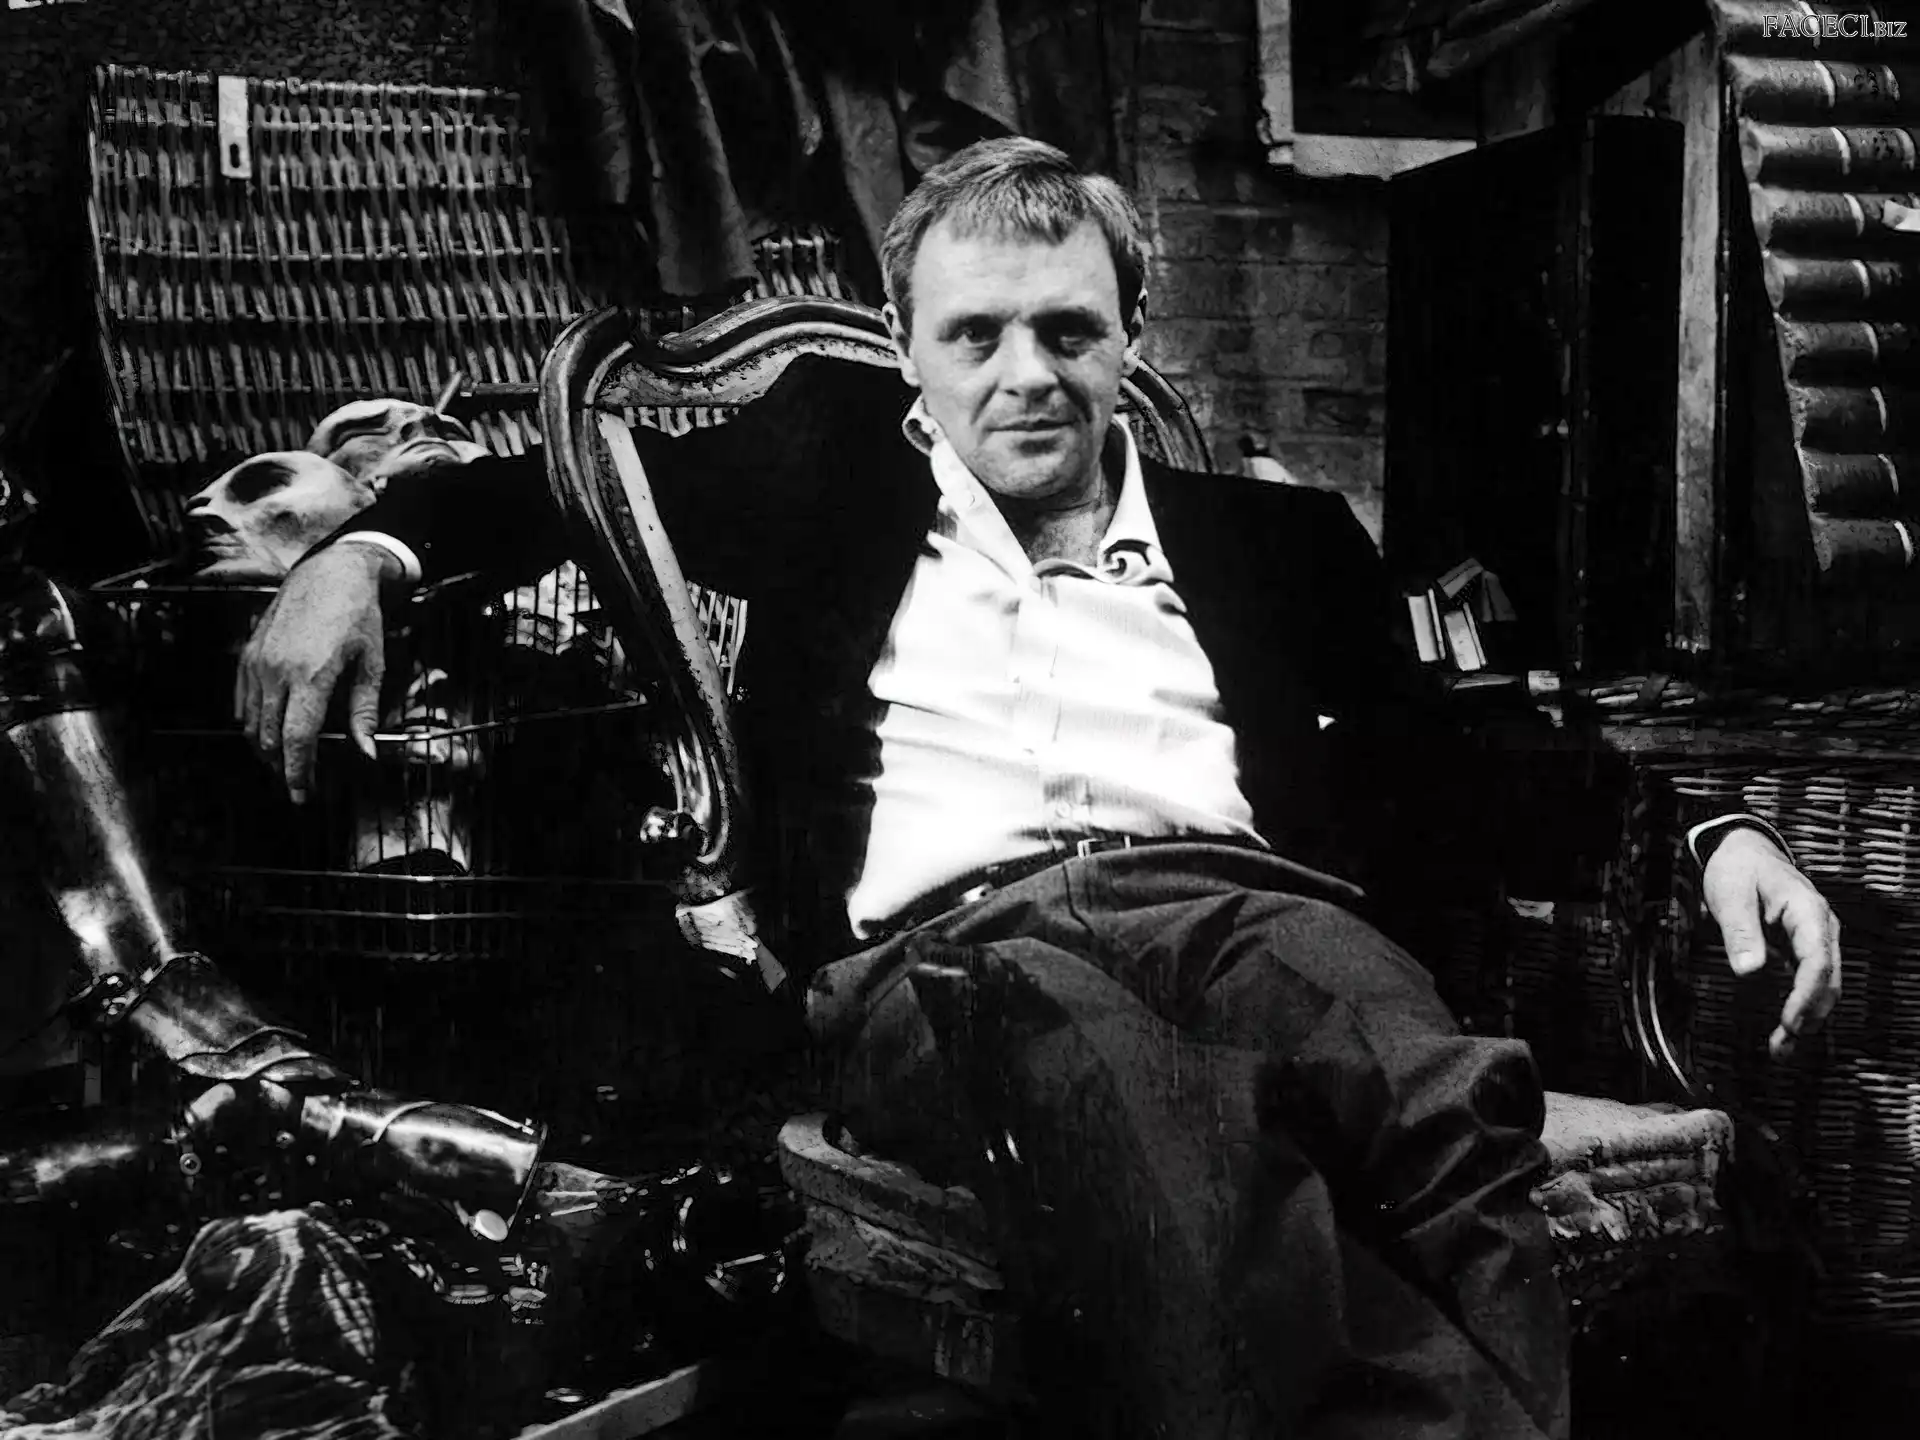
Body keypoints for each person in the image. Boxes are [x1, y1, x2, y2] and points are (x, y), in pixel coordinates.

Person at [232, 138, 1840, 1438]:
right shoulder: (827, 474)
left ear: (1133, 335)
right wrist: (362, 555)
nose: (1027, 375)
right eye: (975, 334)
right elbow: (556, 487)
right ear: (907, 349)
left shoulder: (1278, 543)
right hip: (958, 951)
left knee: (1434, 1084)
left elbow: (1456, 752)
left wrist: (1702, 833)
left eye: (1070, 330)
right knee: (1126, 1089)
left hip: (1252, 910)